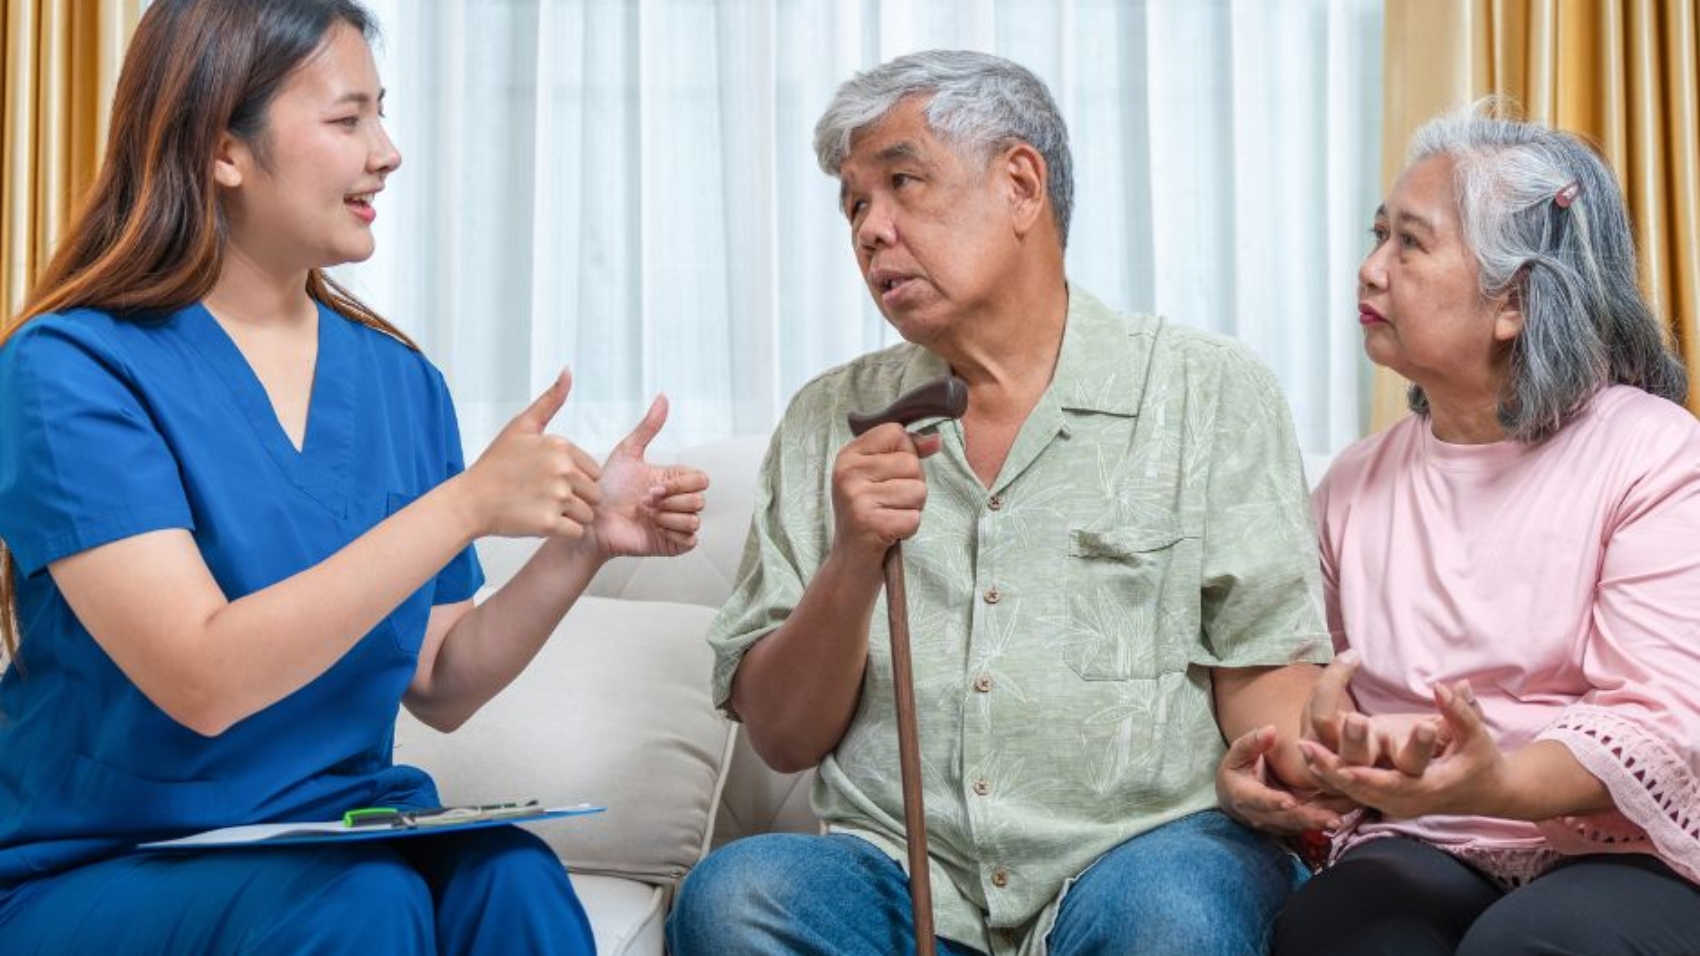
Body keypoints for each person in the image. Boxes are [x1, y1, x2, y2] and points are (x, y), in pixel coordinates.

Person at [0, 1, 708, 953]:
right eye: (349, 119)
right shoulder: (71, 368)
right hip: (112, 860)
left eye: (383, 114)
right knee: (359, 905)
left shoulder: (398, 382)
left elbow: (441, 677)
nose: (388, 151)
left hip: (341, 836)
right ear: (222, 149)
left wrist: (580, 545)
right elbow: (201, 677)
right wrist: (465, 506)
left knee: (514, 877)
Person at [667, 50, 1335, 956]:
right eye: (855, 204)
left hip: (1148, 854)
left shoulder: (1205, 390)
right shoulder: (830, 419)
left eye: (903, 183)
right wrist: (853, 556)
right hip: (902, 875)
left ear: (1022, 184)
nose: (871, 229)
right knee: (739, 896)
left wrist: (1295, 766)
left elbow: (1267, 683)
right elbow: (783, 739)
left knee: (1168, 921)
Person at [1270, 104, 1700, 956]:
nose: (1369, 269)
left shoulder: (1654, 455)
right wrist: (1324, 741)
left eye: (1410, 244)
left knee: (1531, 947)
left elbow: (1662, 720)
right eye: (1376, 234)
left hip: (1618, 845)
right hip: (1425, 838)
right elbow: (1324, 691)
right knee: (1335, 934)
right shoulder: (1355, 481)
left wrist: (1494, 777)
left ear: (1513, 302)